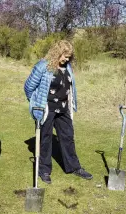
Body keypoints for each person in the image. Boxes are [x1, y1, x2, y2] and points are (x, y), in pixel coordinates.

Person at [24, 40, 92, 184]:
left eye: (69, 57)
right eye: (64, 56)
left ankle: (74, 167)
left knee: (68, 136)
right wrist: (36, 103)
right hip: (47, 108)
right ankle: (44, 170)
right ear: (57, 53)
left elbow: (70, 87)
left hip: (63, 108)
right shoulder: (43, 66)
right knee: (45, 139)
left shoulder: (68, 67)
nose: (67, 59)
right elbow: (28, 86)